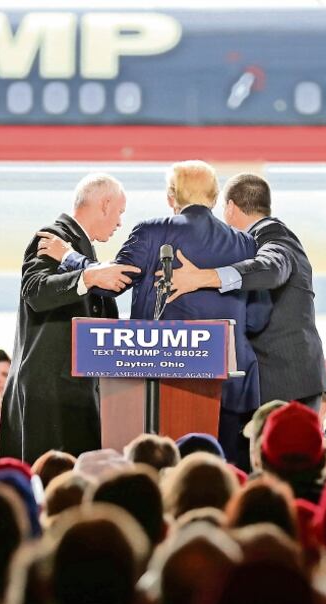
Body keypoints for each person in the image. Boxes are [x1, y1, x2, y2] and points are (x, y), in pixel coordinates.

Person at [83, 161, 268, 462]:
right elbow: (259, 316)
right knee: (225, 472)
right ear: (215, 197)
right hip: (232, 386)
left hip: (159, 388)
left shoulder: (151, 232)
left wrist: (71, 262)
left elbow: (110, 284)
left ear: (172, 197)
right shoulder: (246, 243)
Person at [0, 173, 140, 462]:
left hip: (68, 391)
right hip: (51, 393)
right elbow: (35, 291)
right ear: (105, 204)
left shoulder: (77, 246)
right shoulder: (53, 236)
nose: (120, 223)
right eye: (120, 212)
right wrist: (88, 275)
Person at [162, 172, 326, 411]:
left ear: (230, 207)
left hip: (285, 382)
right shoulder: (263, 236)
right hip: (281, 380)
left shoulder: (274, 235)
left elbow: (271, 269)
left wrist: (204, 277)